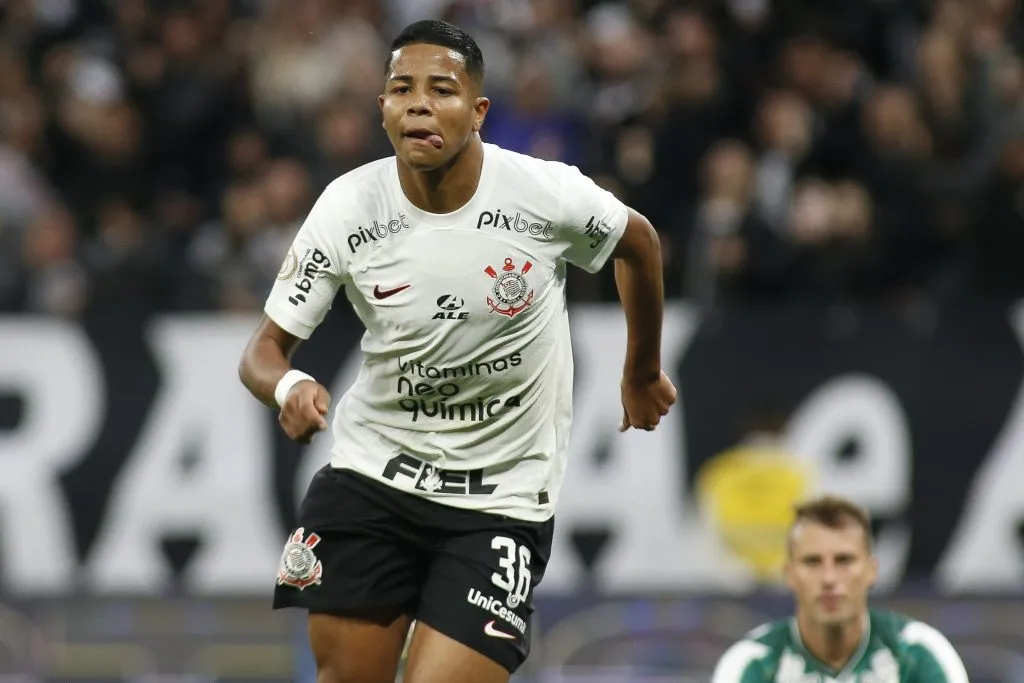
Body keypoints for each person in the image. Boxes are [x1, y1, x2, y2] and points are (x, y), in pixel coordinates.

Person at [237, 18, 676, 683]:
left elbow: (638, 243)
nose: (418, 102)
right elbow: (263, 350)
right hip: (373, 478)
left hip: (501, 497)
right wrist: (289, 386)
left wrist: (641, 368)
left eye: (440, 89)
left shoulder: (542, 192)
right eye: (401, 88)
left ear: (478, 112)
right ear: (382, 108)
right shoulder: (348, 207)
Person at [710, 495, 970, 683]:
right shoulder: (753, 663)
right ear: (789, 574)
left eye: (844, 560)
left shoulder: (919, 654)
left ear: (871, 570)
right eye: (812, 562)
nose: (829, 578)